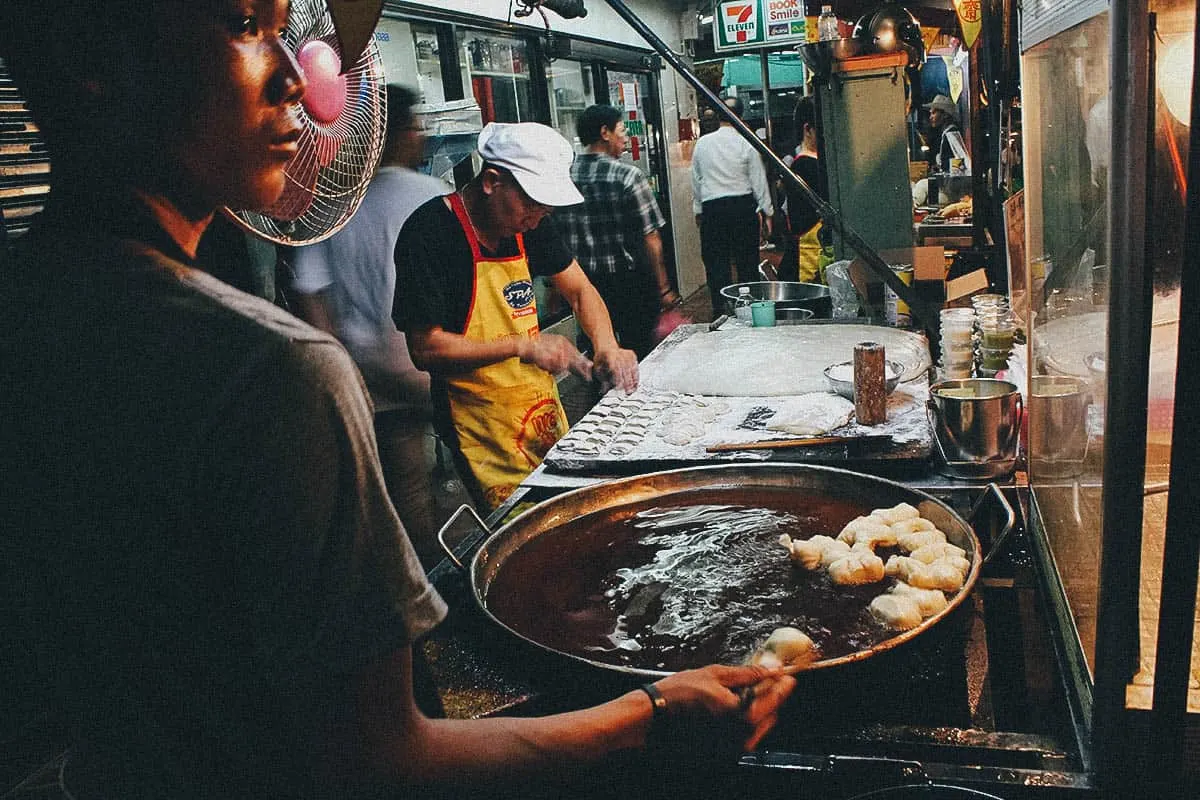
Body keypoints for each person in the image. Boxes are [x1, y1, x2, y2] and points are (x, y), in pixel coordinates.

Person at [1, 3, 794, 798]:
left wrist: (607, 342)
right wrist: (650, 712)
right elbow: (376, 760)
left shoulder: (35, 316)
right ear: (93, 56)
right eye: (246, 23)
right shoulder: (274, 375)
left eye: (288, 30)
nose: (307, 87)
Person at [393, 122, 640, 511]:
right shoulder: (430, 233)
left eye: (545, 207)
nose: (538, 216)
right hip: (479, 424)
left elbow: (579, 289)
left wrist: (607, 344)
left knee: (570, 510)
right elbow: (425, 348)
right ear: (492, 181)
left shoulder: (530, 223)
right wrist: (523, 345)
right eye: (531, 203)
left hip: (539, 407)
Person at [291, 83, 449, 566]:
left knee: (398, 482)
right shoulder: (433, 196)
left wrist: (340, 366)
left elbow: (309, 292)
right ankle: (445, 585)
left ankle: (415, 573)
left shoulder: (332, 205)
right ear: (397, 131)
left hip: (364, 370)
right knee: (457, 463)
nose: (421, 135)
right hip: (428, 363)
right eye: (417, 125)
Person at [556, 104, 679, 360]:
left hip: (584, 283)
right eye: (621, 131)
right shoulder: (628, 176)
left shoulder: (564, 177)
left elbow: (558, 237)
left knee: (598, 351)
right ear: (605, 132)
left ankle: (603, 397)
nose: (625, 138)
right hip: (630, 282)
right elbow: (652, 239)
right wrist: (664, 288)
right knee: (641, 351)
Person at [690, 95, 774, 313]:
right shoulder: (747, 141)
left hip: (713, 209)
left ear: (718, 115)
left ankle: (721, 310)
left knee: (716, 264)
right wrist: (767, 213)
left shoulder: (703, 144)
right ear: (741, 115)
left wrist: (698, 210)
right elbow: (758, 180)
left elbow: (697, 180)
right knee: (747, 262)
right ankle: (749, 310)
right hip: (742, 208)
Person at [779, 95, 829, 284]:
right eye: (822, 130)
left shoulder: (810, 162)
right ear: (808, 129)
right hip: (806, 261)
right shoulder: (805, 166)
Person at [923, 94, 965, 174]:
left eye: (934, 113)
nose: (930, 117)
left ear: (945, 115)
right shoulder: (946, 133)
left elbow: (959, 159)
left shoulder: (951, 133)